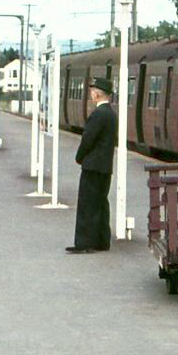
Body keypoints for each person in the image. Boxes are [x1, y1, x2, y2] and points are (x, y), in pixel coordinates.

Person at [67, 77, 117, 254]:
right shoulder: (111, 114)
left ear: (97, 93)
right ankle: (102, 240)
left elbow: (88, 139)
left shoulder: (97, 114)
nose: (91, 93)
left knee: (87, 204)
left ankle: (84, 243)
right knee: (101, 203)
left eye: (92, 90)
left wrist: (79, 157)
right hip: (105, 166)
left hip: (92, 166)